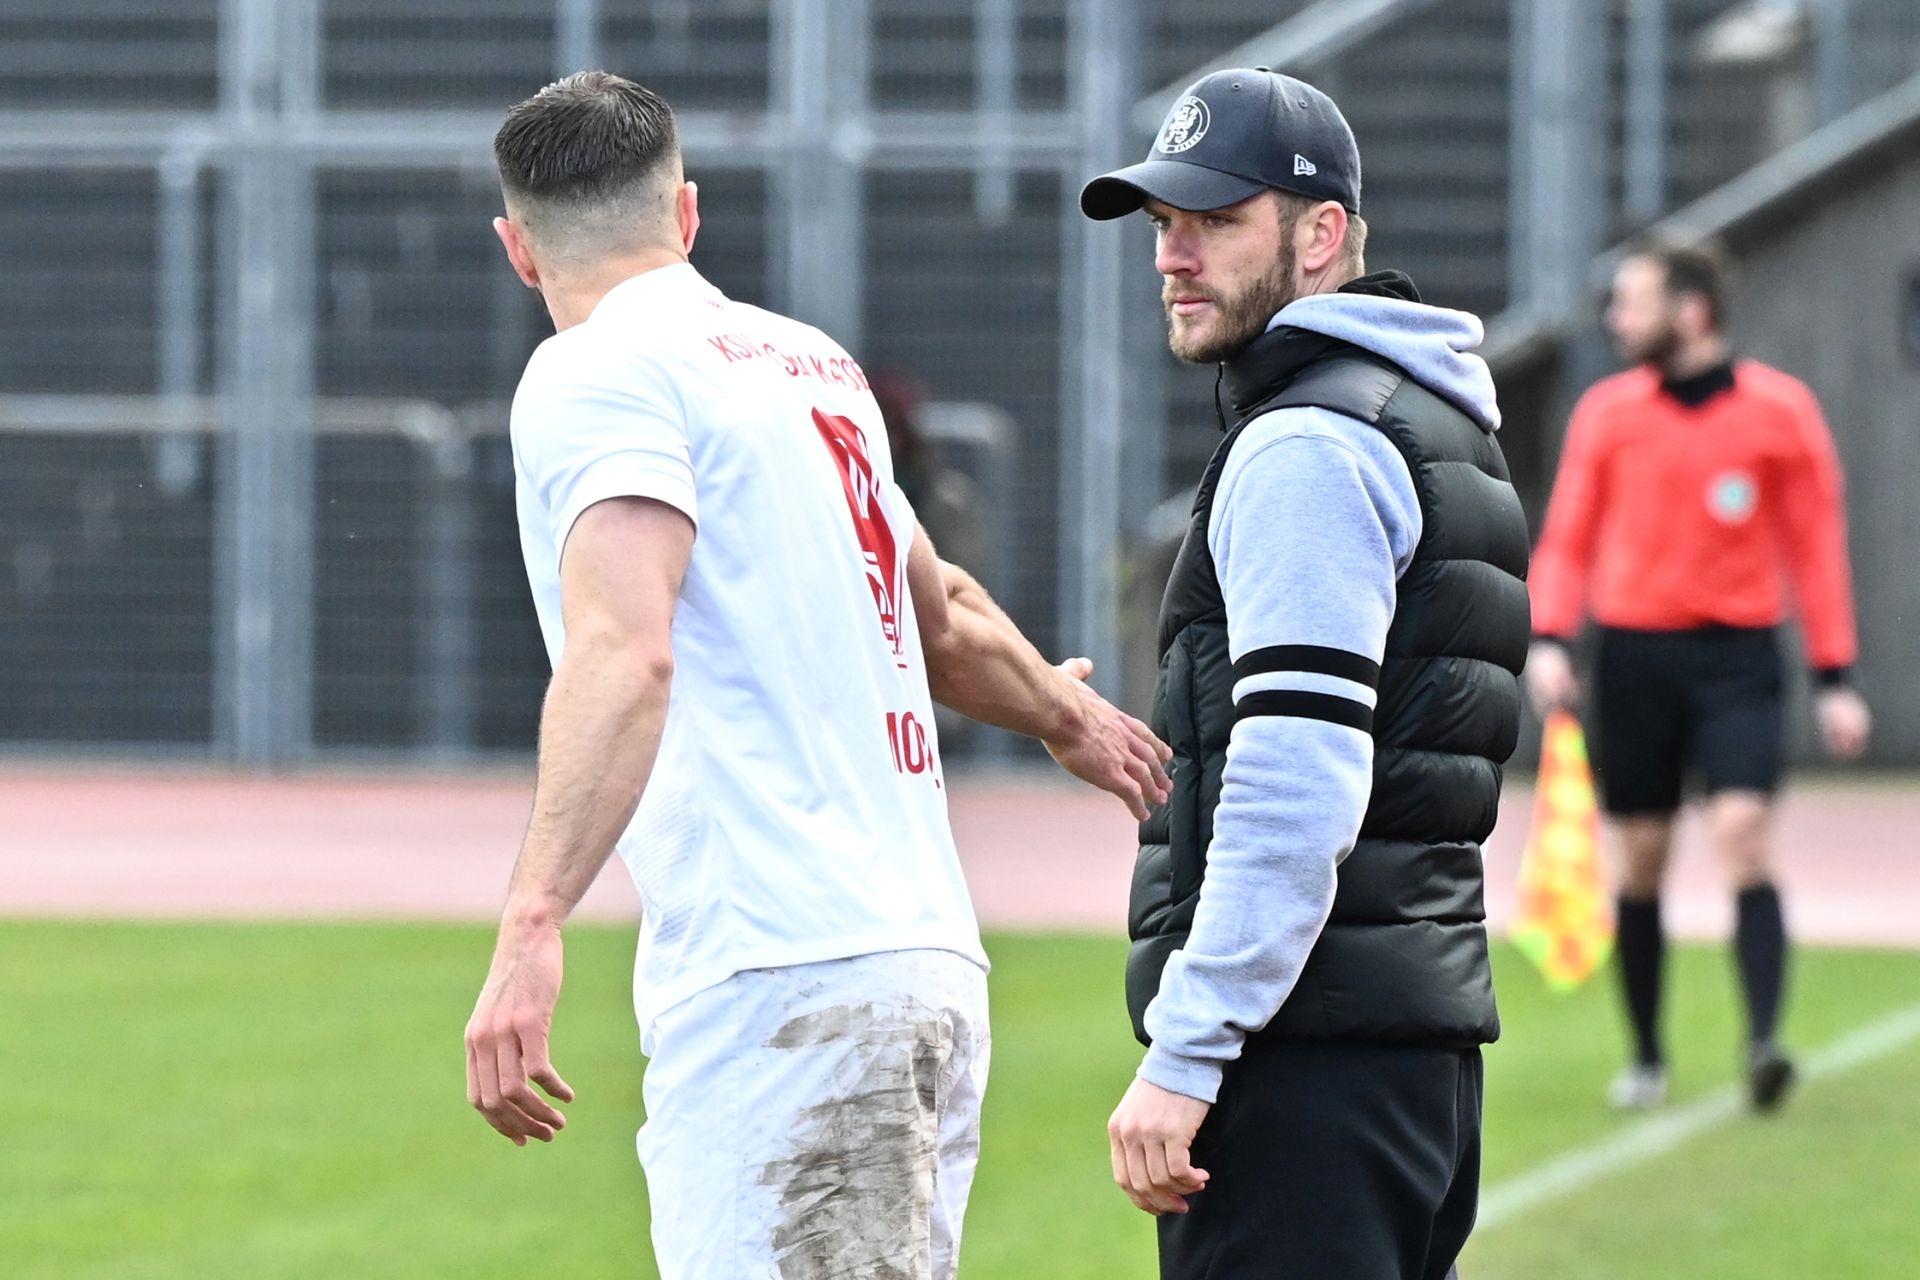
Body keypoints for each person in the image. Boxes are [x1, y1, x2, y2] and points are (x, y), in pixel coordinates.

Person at [463, 72, 1171, 1280]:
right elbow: (939, 609)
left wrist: (532, 918)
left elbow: (626, 648)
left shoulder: (590, 371)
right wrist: (1066, 710)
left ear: (518, 249)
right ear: (687, 213)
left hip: (783, 976)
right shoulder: (810, 365)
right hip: (923, 959)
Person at [1080, 69, 1530, 1279]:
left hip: (1301, 1062)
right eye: (1162, 222)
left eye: (1216, 220)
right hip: (1401, 1050)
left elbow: (1297, 776)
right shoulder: (1425, 417)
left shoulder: (1307, 445)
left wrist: (1189, 1046)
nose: (1173, 255)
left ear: (1320, 234)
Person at [1526, 239, 1871, 1113]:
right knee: (1641, 860)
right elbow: (1569, 535)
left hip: (1737, 659)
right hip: (1634, 659)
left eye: (1633, 303)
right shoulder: (1608, 414)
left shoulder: (1780, 412)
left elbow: (1815, 545)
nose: (1617, 320)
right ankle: (1646, 1055)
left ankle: (1764, 1045)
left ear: (1692, 311)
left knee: (1745, 834)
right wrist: (1552, 636)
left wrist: (1835, 675)